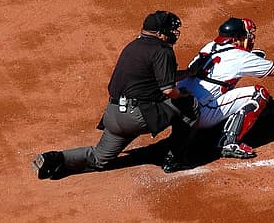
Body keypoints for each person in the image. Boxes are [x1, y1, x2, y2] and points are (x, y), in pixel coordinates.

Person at [33, 10, 197, 180]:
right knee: (190, 105)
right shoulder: (162, 51)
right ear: (160, 33)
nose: (173, 33)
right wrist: (181, 95)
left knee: (99, 158)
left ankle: (55, 158)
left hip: (114, 115)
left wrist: (188, 73)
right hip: (138, 117)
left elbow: (157, 77)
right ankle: (175, 158)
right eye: (170, 30)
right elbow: (168, 89)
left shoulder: (133, 46)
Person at [164, 17, 274, 172]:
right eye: (245, 36)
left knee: (221, 87)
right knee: (258, 94)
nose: (249, 39)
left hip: (177, 104)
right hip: (200, 114)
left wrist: (251, 58)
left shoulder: (210, 46)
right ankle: (228, 142)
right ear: (236, 39)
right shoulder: (241, 58)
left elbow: (227, 62)